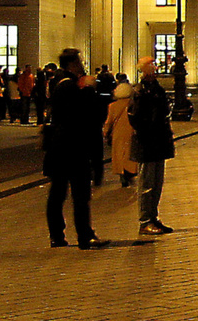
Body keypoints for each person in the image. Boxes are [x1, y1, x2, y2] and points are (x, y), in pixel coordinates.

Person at [43, 49, 106, 249]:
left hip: (58, 148)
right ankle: (84, 235)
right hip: (73, 148)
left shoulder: (57, 83)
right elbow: (84, 115)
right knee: (79, 194)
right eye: (79, 61)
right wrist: (89, 90)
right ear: (72, 64)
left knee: (58, 193)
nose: (82, 64)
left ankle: (57, 235)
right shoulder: (70, 87)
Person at [129, 55, 175, 236]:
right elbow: (135, 117)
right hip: (147, 143)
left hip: (158, 141)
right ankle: (145, 220)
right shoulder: (140, 91)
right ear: (145, 70)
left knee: (157, 182)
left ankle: (153, 217)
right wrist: (147, 132)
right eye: (152, 66)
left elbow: (163, 111)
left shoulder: (156, 89)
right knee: (147, 183)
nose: (155, 69)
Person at [102, 81, 137, 187]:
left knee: (119, 154)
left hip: (118, 133)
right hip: (131, 131)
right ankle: (130, 172)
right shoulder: (133, 104)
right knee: (130, 153)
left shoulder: (112, 106)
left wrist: (105, 132)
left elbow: (109, 121)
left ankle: (122, 175)